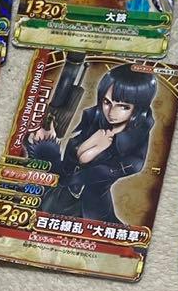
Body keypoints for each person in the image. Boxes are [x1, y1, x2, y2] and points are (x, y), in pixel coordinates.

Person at [26, 64, 156, 224]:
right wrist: (46, 145)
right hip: (54, 199)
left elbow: (98, 172)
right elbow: (63, 168)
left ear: (139, 109)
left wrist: (89, 153)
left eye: (123, 106)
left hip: (90, 212)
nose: (111, 112)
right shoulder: (94, 118)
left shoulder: (133, 148)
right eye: (107, 102)